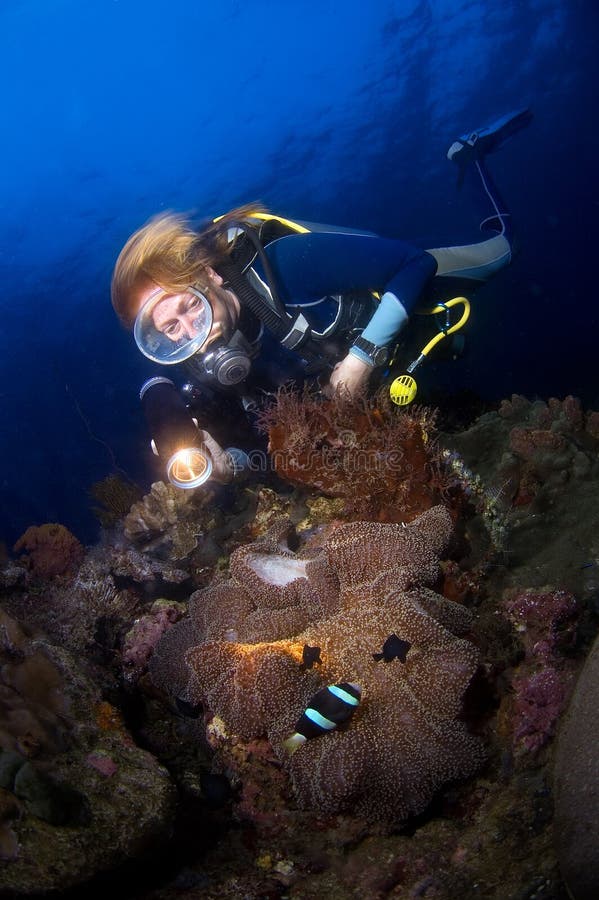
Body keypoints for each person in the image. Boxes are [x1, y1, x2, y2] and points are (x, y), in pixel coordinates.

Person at [111, 109, 532, 487]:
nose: (196, 334)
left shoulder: (284, 267)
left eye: (189, 306)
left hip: (406, 286)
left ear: (211, 276)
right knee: (455, 351)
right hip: (395, 358)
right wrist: (228, 465)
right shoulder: (205, 363)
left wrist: (360, 359)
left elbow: (414, 264)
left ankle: (471, 156)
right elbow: (268, 443)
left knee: (505, 249)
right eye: (171, 328)